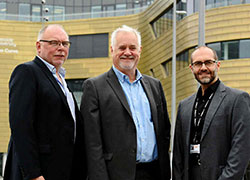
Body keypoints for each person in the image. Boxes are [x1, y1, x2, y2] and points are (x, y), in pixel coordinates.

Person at [80, 25, 171, 180]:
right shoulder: (94, 87)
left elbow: (164, 131)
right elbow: (91, 142)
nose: (128, 52)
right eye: (122, 47)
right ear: (112, 50)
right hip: (116, 174)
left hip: (154, 172)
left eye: (132, 48)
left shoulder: (155, 85)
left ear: (140, 50)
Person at [4, 24, 86, 180]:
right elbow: (21, 126)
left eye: (65, 43)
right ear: (38, 46)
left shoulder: (62, 80)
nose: (61, 48)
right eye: (54, 43)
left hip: (63, 169)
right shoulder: (27, 72)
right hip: (41, 172)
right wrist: (33, 174)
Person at [172, 46, 250, 180]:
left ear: (217, 65)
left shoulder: (237, 99)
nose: (203, 68)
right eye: (197, 64)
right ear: (192, 69)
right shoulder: (184, 106)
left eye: (208, 62)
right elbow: (178, 154)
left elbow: (241, 150)